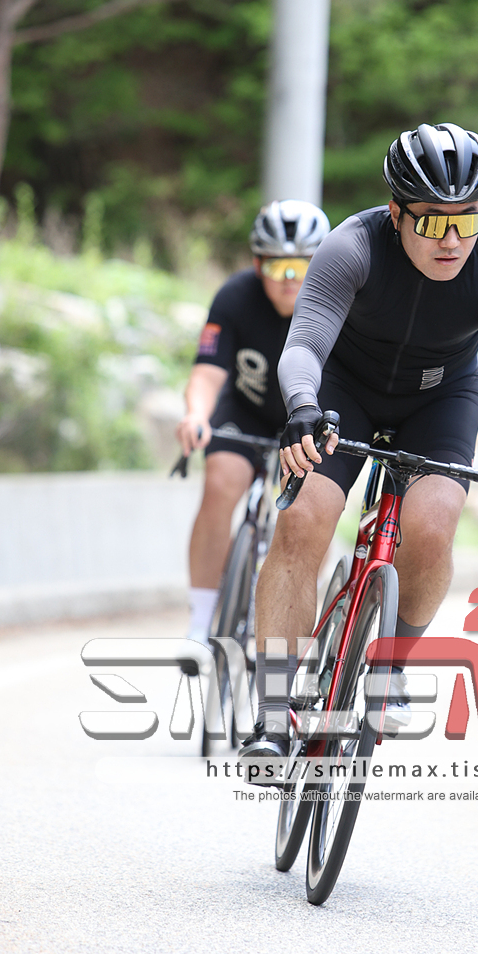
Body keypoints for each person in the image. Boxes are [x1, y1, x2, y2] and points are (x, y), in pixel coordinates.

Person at [239, 122, 478, 758]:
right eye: (432, 221)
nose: (452, 240)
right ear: (396, 212)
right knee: (302, 521)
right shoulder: (352, 245)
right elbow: (305, 346)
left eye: (467, 220)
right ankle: (271, 711)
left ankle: (392, 665)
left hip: (440, 398)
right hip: (342, 390)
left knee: (432, 527)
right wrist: (302, 408)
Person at [175, 200, 330, 645]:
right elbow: (207, 373)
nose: (289, 278)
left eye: (303, 265)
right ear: (258, 264)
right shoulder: (235, 296)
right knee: (220, 482)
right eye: (277, 266)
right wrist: (196, 413)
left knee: (310, 512)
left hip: (307, 419)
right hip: (245, 411)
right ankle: (201, 622)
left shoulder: (339, 301)